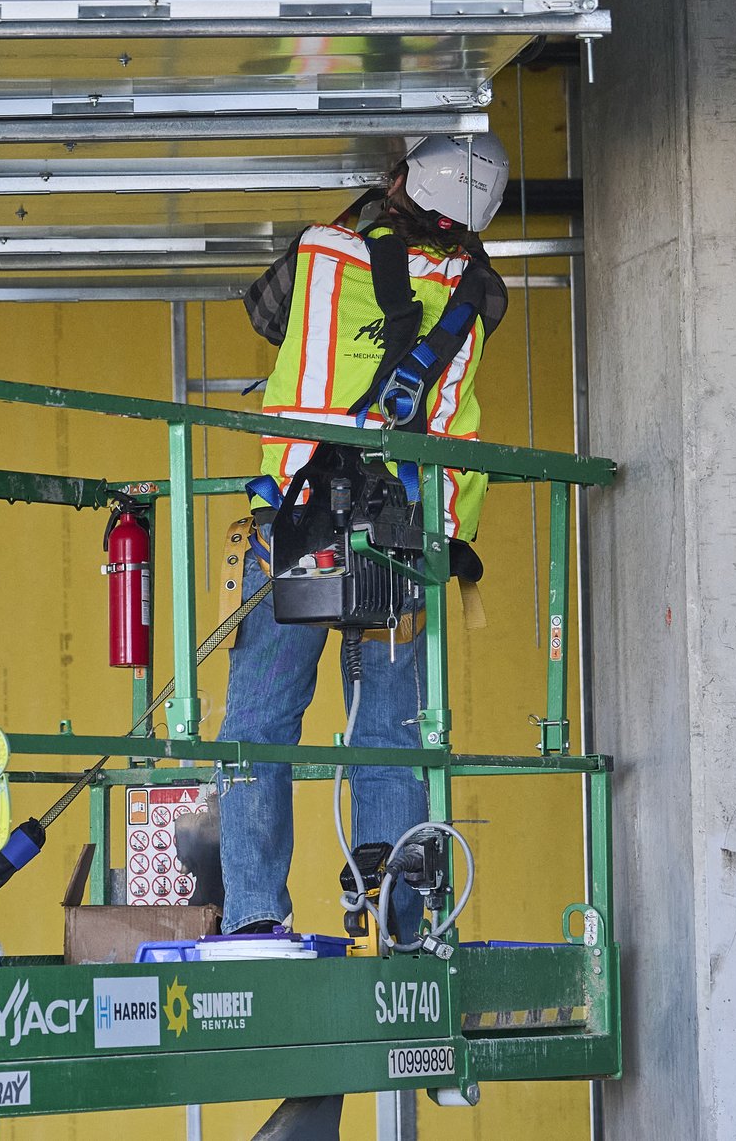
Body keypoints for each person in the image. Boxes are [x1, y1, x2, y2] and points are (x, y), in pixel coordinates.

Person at [216, 133, 511, 937]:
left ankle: (253, 918)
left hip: (297, 522)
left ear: (399, 181)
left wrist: (372, 209)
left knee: (260, 724)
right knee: (390, 732)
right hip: (405, 534)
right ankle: (398, 921)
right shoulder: (480, 292)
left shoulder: (321, 252)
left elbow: (265, 313)